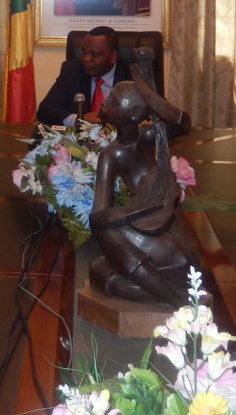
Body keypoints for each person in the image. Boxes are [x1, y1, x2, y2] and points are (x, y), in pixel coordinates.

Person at [88, 80, 199, 306]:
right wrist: (128, 214)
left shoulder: (148, 135)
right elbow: (99, 213)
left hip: (162, 216)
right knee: (106, 231)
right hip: (141, 216)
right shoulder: (111, 155)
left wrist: (150, 95)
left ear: (135, 113)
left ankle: (164, 294)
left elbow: (183, 124)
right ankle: (176, 298)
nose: (104, 102)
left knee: (188, 263)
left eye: (113, 100)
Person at [36, 26, 191, 134]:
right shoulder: (72, 71)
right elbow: (44, 111)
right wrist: (79, 119)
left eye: (95, 54)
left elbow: (163, 113)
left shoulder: (134, 77)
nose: (86, 59)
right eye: (84, 52)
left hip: (124, 150)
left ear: (113, 57)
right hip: (80, 150)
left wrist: (144, 123)